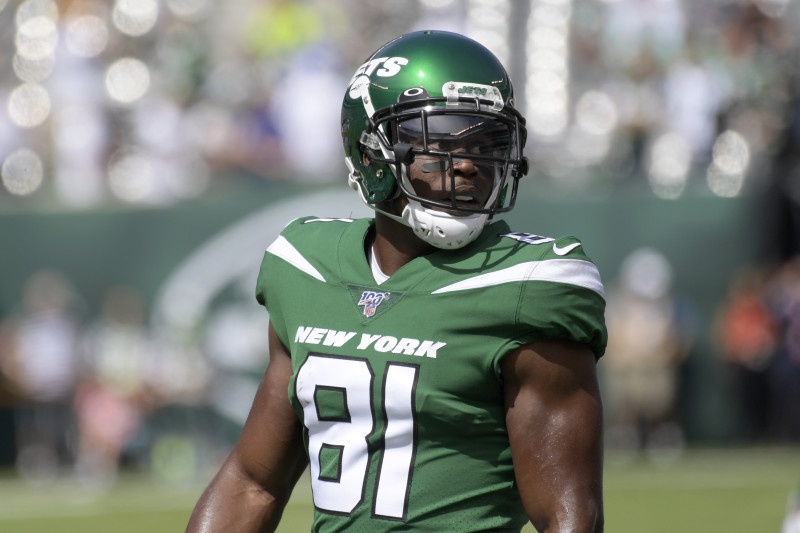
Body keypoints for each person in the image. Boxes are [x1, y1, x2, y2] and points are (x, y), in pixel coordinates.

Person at [186, 30, 607, 533]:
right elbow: (252, 481)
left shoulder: (527, 284)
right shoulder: (305, 268)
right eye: (440, 145)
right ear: (371, 155)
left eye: (485, 144)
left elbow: (570, 518)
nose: (470, 164)